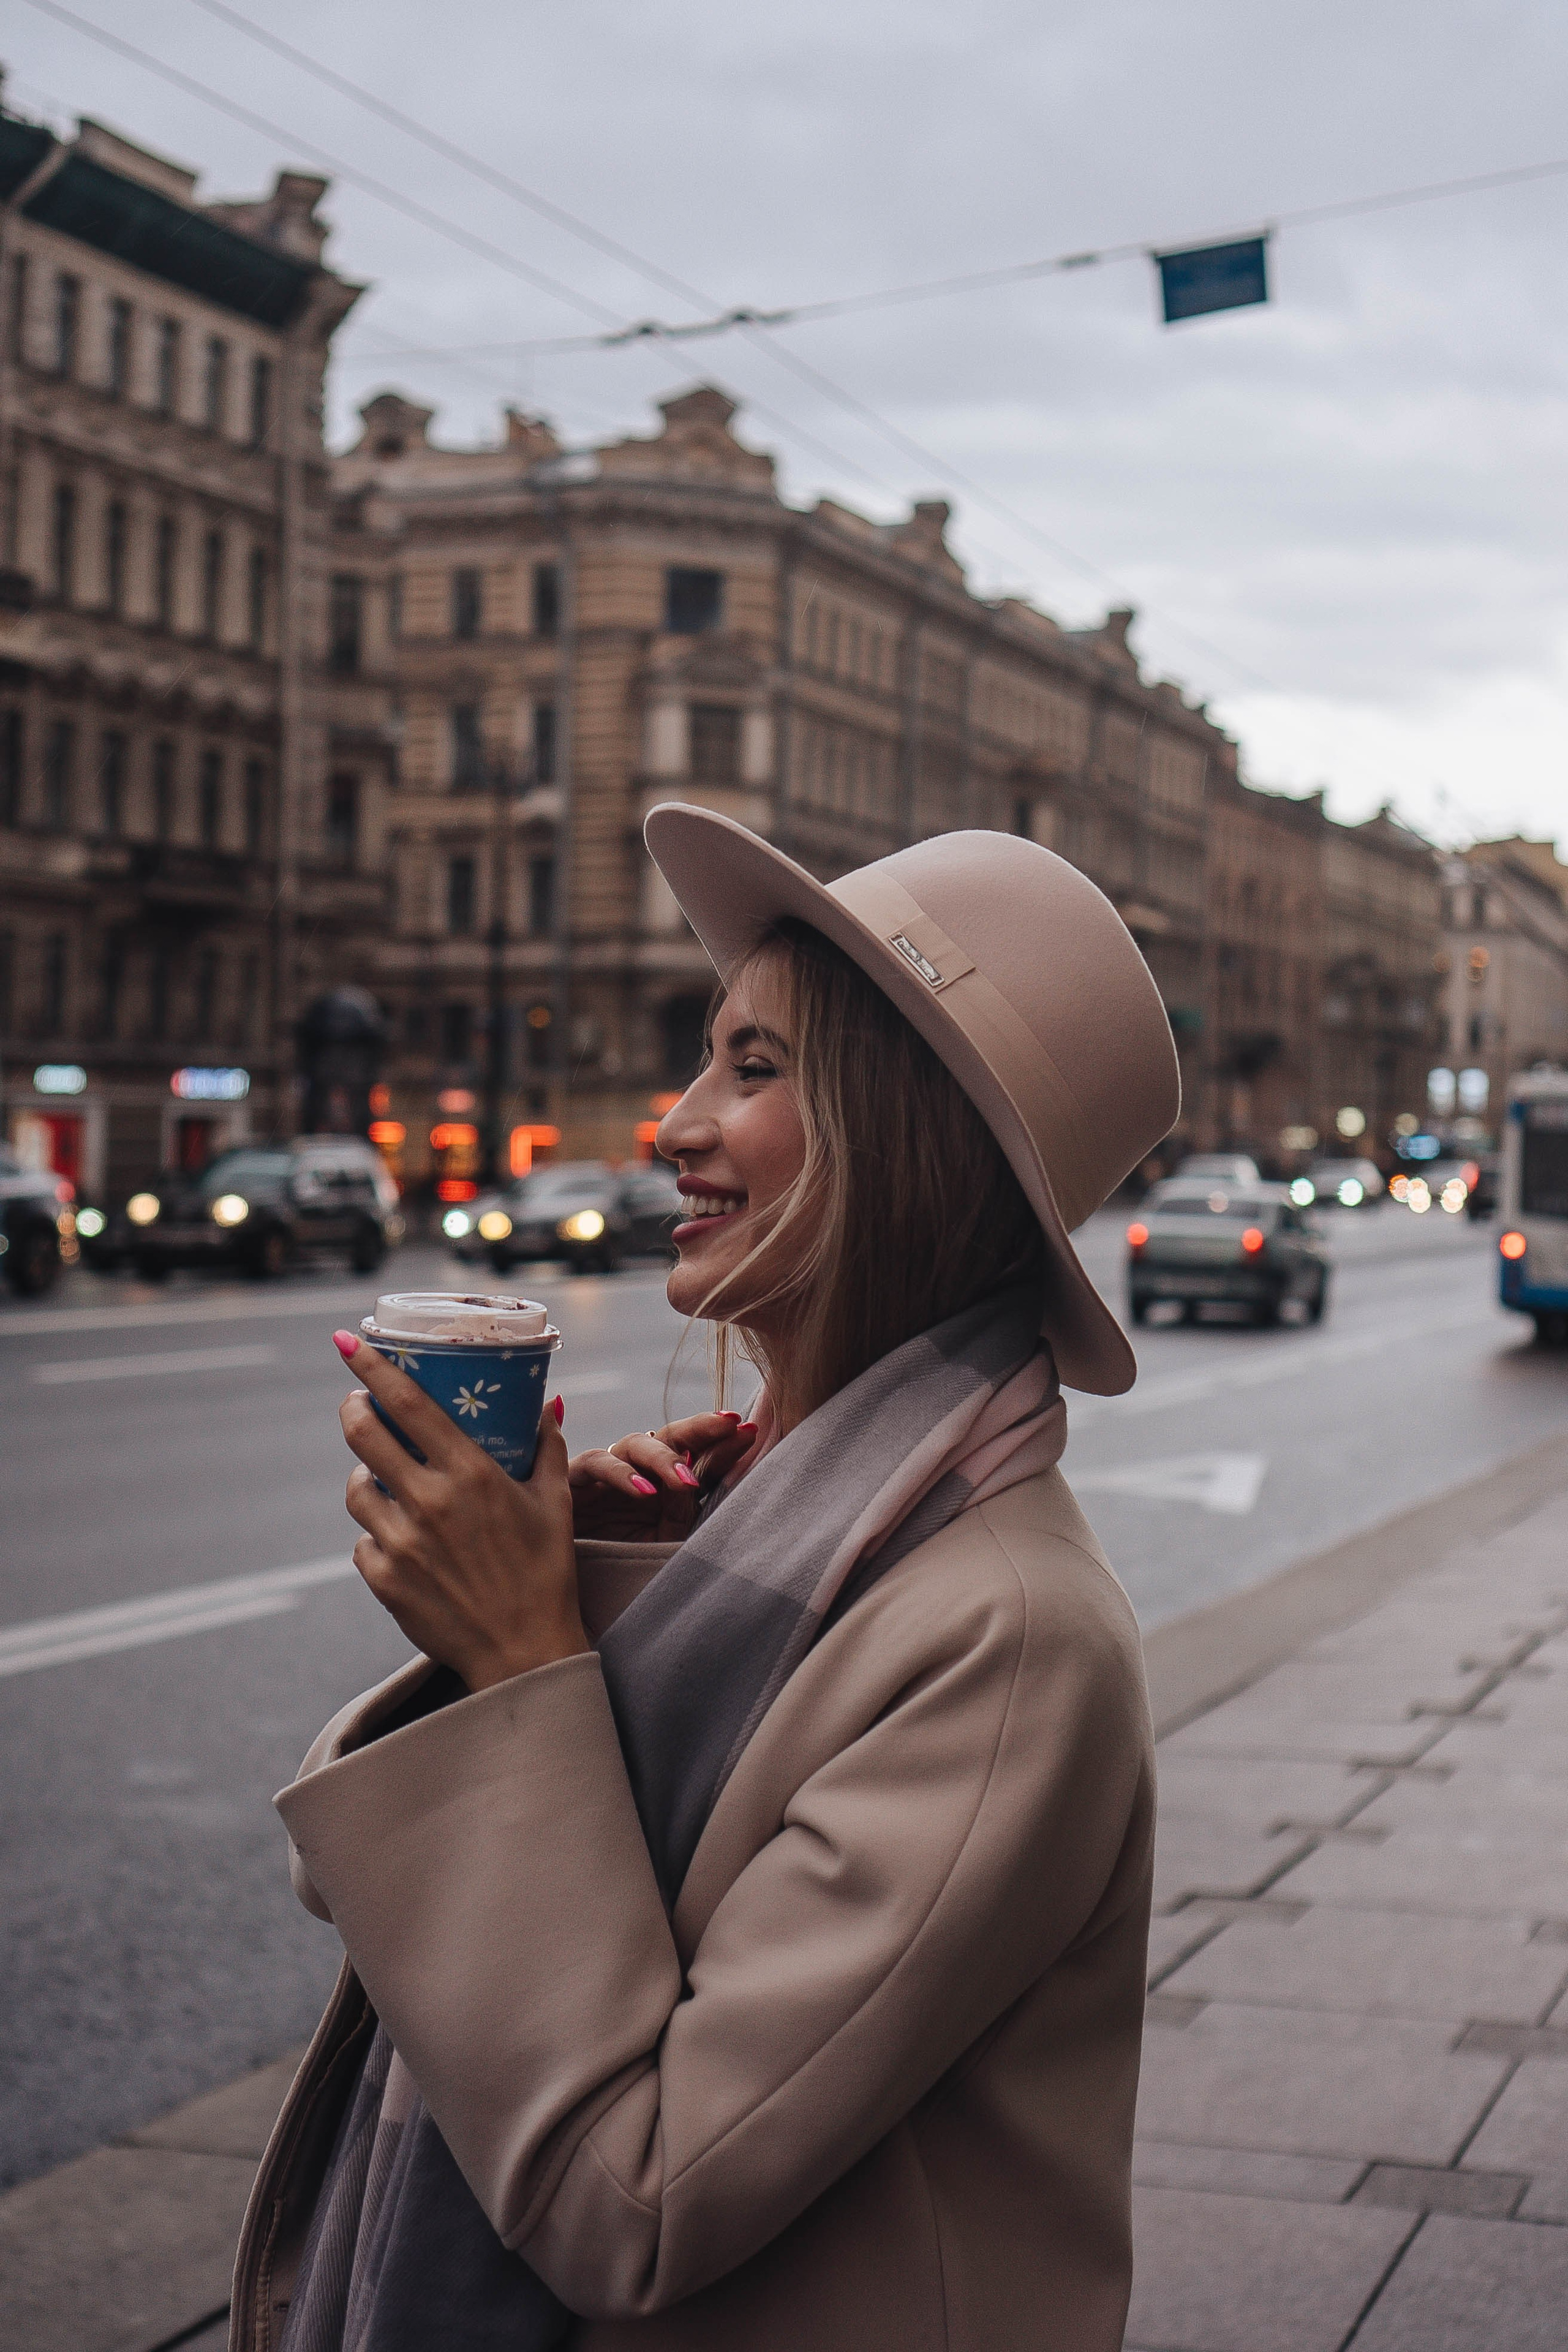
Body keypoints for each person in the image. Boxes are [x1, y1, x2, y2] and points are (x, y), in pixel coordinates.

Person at [230, 806, 1180, 2352]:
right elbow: (377, 1903)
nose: (673, 1126)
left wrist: (530, 1663)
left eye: (752, 1070)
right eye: (701, 1059)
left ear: (912, 1136)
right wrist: (557, 1617)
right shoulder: (758, 1535)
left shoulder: (1006, 1640)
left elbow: (637, 2201)